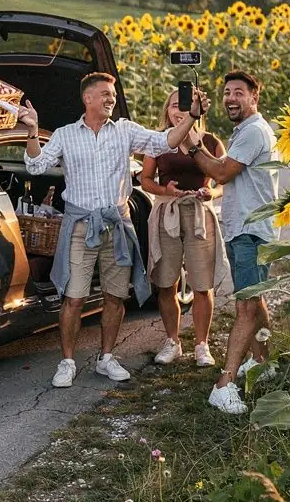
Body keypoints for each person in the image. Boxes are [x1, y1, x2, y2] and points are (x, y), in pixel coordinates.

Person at [18, 71, 209, 388]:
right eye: (105, 93)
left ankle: (106, 358)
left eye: (113, 94)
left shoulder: (125, 131)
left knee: (116, 296)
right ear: (87, 98)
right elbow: (35, 165)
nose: (111, 98)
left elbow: (166, 141)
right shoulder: (65, 135)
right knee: (73, 297)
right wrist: (33, 131)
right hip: (80, 224)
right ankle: (67, 362)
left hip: (117, 224)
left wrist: (191, 117)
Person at [188, 70, 279, 415]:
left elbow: (222, 172)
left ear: (255, 97)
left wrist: (192, 145)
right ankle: (261, 362)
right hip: (251, 227)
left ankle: (223, 384)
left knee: (246, 306)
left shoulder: (254, 131)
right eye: (227, 92)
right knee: (255, 300)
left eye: (239, 92)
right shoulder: (248, 130)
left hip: (250, 230)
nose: (231, 98)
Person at [140, 88, 228, 368]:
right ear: (167, 110)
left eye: (187, 105)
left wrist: (209, 194)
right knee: (166, 281)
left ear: (199, 110)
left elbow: (222, 182)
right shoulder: (158, 142)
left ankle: (201, 344)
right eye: (176, 105)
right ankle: (172, 341)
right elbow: (145, 179)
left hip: (200, 214)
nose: (180, 110)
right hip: (167, 211)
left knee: (202, 283)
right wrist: (163, 189)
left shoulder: (211, 141)